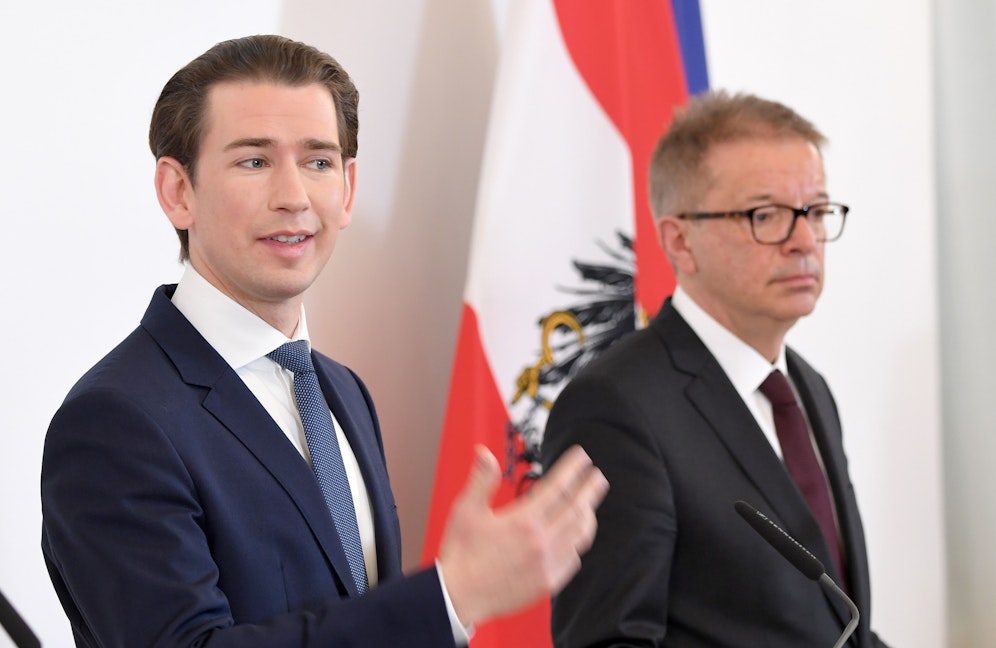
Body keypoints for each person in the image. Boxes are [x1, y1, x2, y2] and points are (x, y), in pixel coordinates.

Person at [40, 34, 608, 647]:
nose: (294, 197)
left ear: (348, 189)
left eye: (318, 161)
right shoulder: (115, 420)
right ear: (178, 192)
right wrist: (452, 596)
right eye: (254, 161)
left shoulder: (341, 390)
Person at [542, 91, 889, 647]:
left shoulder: (807, 389)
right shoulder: (616, 406)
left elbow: (834, 624)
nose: (804, 242)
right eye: (766, 216)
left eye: (817, 212)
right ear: (680, 241)